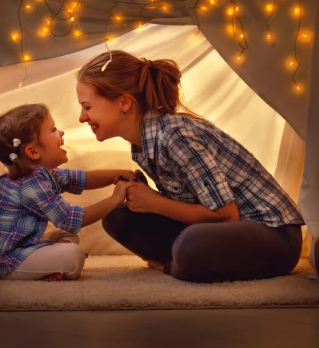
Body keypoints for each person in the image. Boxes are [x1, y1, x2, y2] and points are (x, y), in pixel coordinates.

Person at [76, 50, 305, 282]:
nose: (82, 118)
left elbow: (226, 216)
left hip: (273, 237)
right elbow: (192, 204)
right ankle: (186, 261)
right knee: (117, 217)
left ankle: (175, 266)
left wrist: (155, 203)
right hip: (222, 233)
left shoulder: (176, 136)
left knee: (192, 243)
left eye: (87, 107)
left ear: (124, 102)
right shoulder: (143, 145)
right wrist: (145, 199)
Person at [0, 103, 137, 282]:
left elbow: (83, 179)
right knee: (74, 255)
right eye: (53, 129)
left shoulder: (42, 174)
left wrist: (118, 174)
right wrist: (117, 198)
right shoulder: (29, 184)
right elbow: (72, 219)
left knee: (67, 236)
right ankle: (51, 264)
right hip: (4, 259)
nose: (61, 132)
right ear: (32, 151)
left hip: (21, 244)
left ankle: (49, 265)